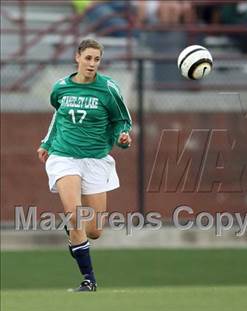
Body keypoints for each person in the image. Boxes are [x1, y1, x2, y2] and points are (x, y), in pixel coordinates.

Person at [37, 38, 132, 292]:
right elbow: (58, 115)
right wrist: (47, 143)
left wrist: (123, 138)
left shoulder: (109, 89)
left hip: (95, 159)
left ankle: (73, 231)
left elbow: (121, 121)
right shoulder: (60, 88)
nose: (92, 64)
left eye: (97, 59)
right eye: (88, 58)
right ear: (77, 57)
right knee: (75, 215)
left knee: (94, 231)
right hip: (64, 156)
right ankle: (89, 280)